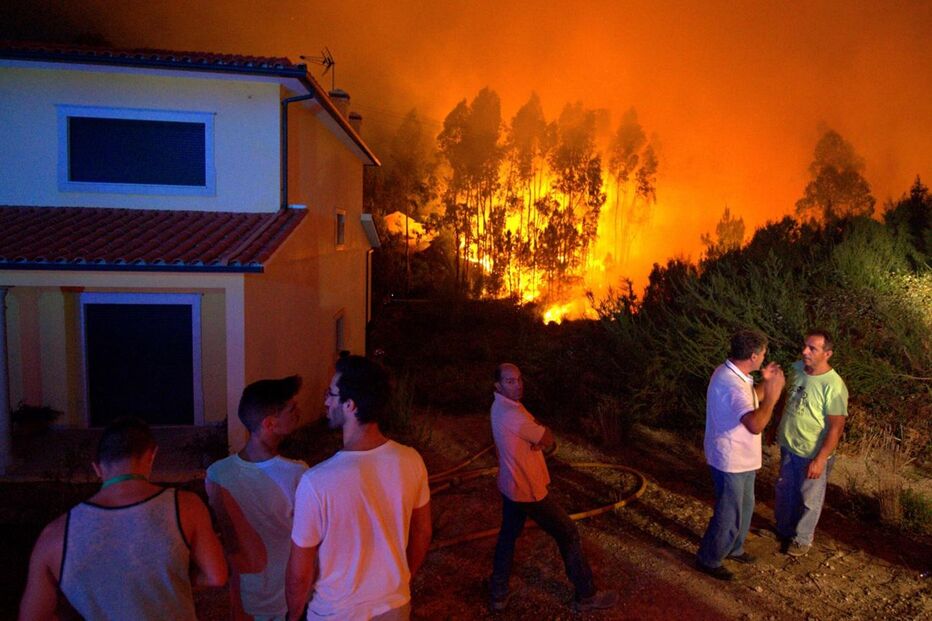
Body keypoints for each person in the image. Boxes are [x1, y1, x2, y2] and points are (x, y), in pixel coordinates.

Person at [19, 417, 227, 621]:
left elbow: (33, 616)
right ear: (151, 456)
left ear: (97, 468)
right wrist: (176, 576)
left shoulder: (55, 535)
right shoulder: (185, 506)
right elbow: (216, 576)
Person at [286, 355, 432, 620]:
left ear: (350, 405)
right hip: (394, 608)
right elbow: (422, 531)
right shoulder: (412, 460)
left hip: (335, 613)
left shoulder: (316, 482)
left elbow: (300, 573)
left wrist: (293, 615)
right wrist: (402, 581)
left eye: (331, 394)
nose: (326, 402)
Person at [488, 362, 618, 612]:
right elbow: (547, 438)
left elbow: (536, 431)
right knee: (568, 532)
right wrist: (539, 436)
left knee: (507, 537)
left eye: (519, 379)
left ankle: (498, 592)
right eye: (510, 381)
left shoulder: (501, 405)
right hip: (528, 490)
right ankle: (586, 596)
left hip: (510, 485)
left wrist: (535, 436)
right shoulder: (512, 414)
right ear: (498, 385)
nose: (518, 385)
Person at [206, 375, 308, 620]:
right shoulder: (296, 473)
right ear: (269, 423)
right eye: (292, 409)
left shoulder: (217, 474)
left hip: (245, 592)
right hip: (287, 592)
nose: (299, 413)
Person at [696, 329, 785, 580]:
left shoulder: (736, 374)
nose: (764, 357)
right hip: (730, 460)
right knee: (728, 512)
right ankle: (709, 558)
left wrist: (766, 384)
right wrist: (773, 397)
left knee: (745, 507)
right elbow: (755, 424)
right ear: (754, 356)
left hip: (742, 458)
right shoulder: (731, 383)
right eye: (763, 354)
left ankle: (733, 548)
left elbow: (749, 399)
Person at [774, 329, 848, 557]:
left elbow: (836, 426)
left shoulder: (833, 385)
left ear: (827, 354)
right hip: (789, 444)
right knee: (786, 490)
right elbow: (786, 398)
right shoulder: (797, 369)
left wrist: (820, 458)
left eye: (812, 348)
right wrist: (775, 426)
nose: (805, 351)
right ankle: (784, 531)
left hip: (811, 451)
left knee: (810, 498)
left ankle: (802, 539)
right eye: (805, 346)